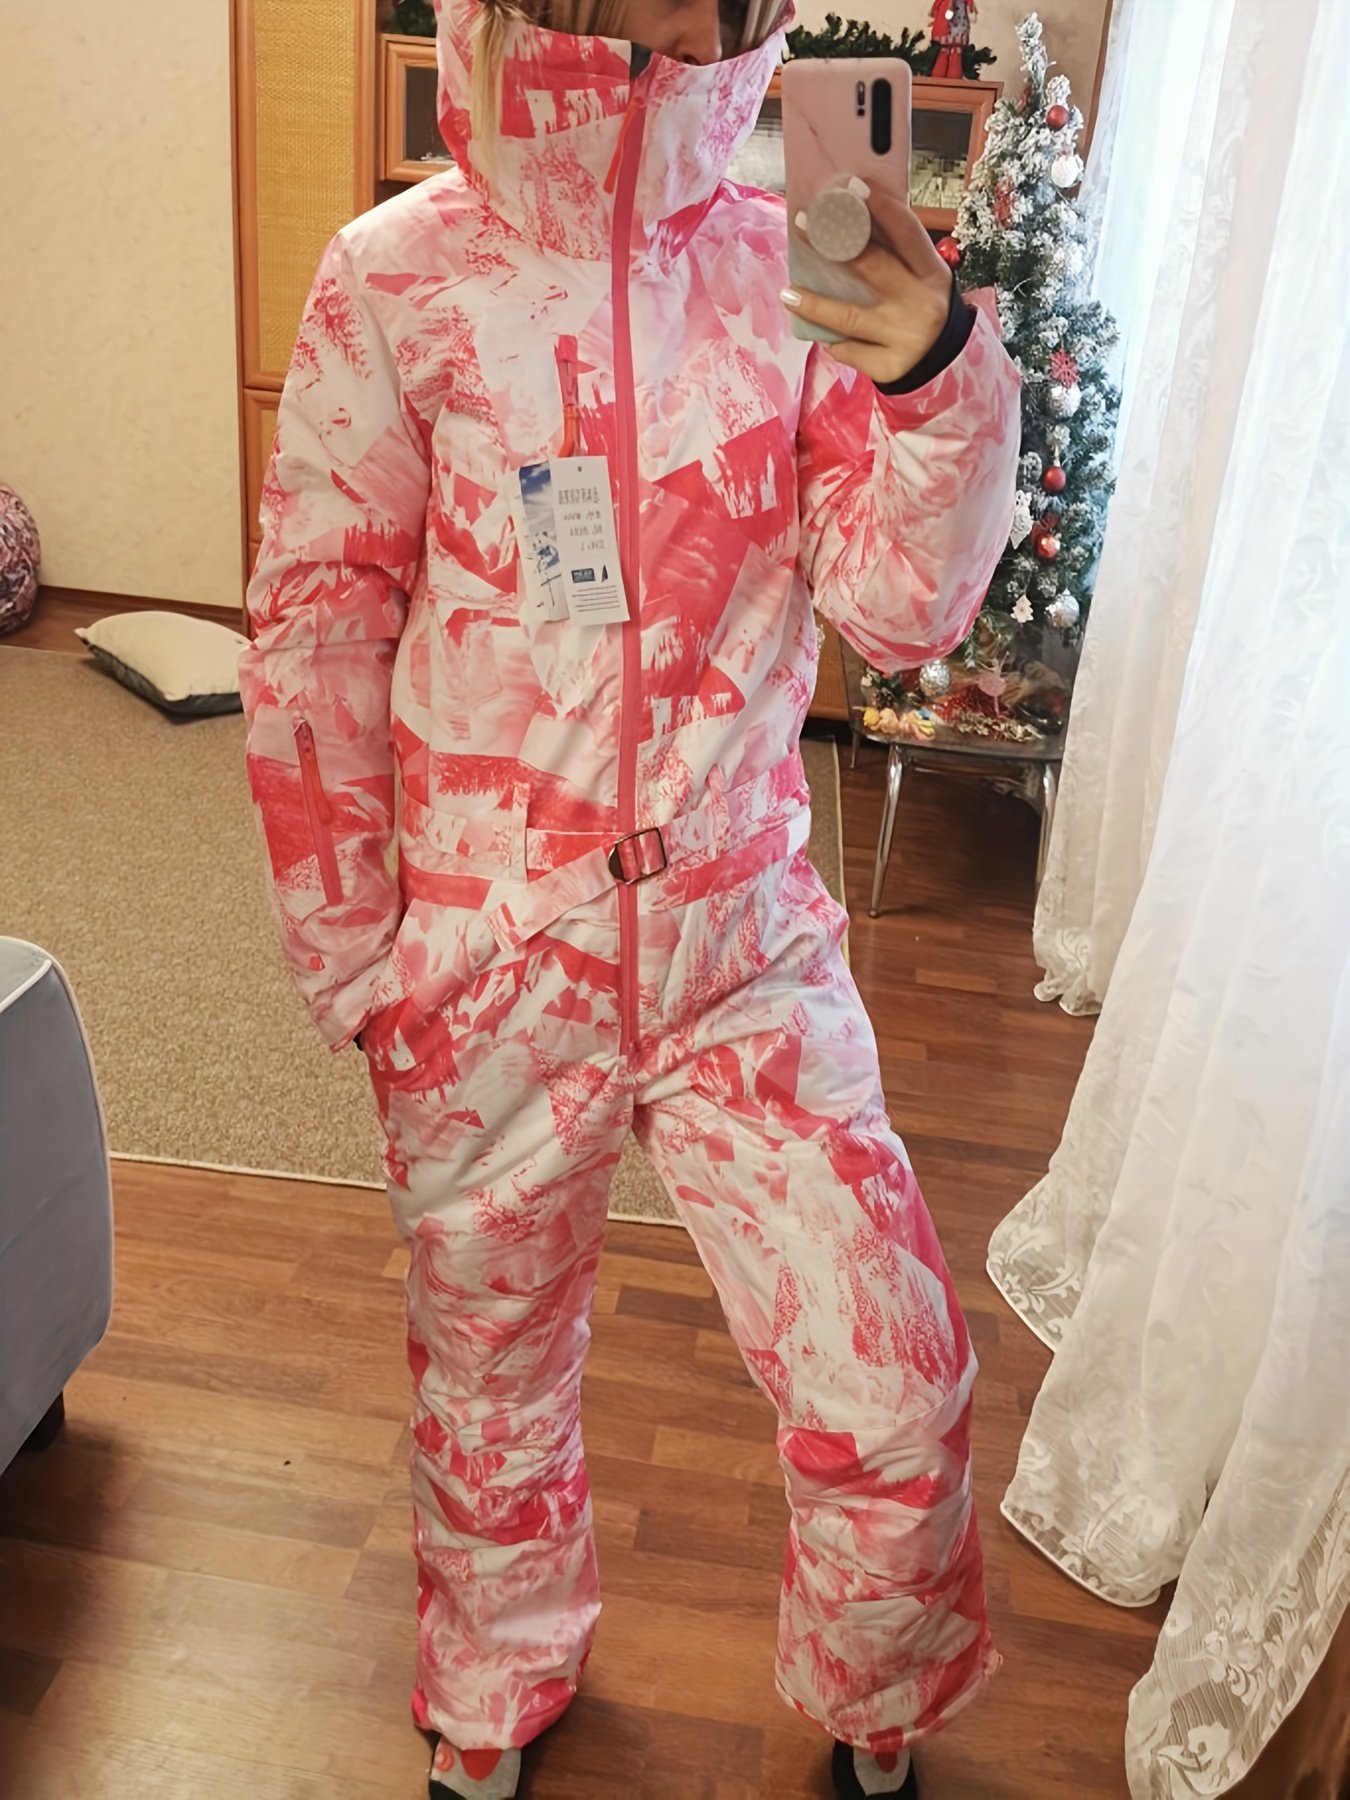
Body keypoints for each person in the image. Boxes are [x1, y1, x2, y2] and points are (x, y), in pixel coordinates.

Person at [239, 0, 1019, 1794]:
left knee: (892, 1385)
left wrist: (935, 379)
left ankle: (878, 1694)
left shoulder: (789, 270)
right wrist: (359, 953)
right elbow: (315, 629)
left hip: (743, 941)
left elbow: (900, 616)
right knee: (489, 1380)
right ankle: (492, 1686)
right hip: (487, 954)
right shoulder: (397, 277)